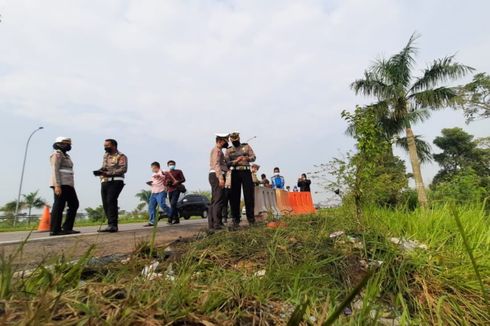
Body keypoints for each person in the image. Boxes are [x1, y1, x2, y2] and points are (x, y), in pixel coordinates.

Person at [95, 139, 128, 233]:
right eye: (104, 145)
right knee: (105, 203)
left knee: (111, 201)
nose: (105, 147)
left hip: (116, 181)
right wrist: (100, 171)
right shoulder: (106, 155)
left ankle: (113, 225)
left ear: (114, 146)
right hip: (105, 181)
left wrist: (109, 173)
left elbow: (123, 169)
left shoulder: (121, 156)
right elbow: (104, 167)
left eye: (107, 145)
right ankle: (110, 224)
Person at [49, 137, 80, 236]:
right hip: (60, 184)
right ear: (60, 144)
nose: (69, 146)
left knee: (74, 204)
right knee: (59, 206)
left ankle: (67, 228)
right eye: (67, 144)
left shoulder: (66, 156)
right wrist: (57, 185)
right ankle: (55, 229)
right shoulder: (57, 155)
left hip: (68, 184)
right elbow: (55, 170)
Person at [225, 132, 256, 227]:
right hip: (235, 173)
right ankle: (235, 219)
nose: (235, 142)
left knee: (248, 195)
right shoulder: (228, 150)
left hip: (246, 172)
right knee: (234, 196)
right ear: (231, 140)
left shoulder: (246, 147)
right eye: (233, 141)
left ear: (239, 138)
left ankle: (251, 219)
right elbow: (226, 162)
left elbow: (254, 157)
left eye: (236, 140)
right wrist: (235, 161)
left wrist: (246, 158)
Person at [208, 133, 229, 230]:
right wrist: (220, 178)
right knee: (218, 200)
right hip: (216, 175)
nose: (227, 143)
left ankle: (212, 224)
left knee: (215, 200)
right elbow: (216, 165)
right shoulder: (217, 151)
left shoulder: (219, 150)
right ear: (220, 141)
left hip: (214, 175)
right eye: (225, 141)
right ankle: (217, 224)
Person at [145, 162, 171, 227]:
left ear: (156, 167)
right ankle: (152, 222)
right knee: (151, 207)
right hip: (153, 192)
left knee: (162, 204)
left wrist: (159, 175)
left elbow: (165, 176)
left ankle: (172, 215)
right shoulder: (153, 174)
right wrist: (151, 183)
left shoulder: (162, 171)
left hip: (161, 191)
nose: (152, 169)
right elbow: (155, 182)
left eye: (152, 168)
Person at [165, 160, 186, 224]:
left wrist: (178, 181)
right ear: (168, 165)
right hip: (170, 190)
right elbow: (165, 182)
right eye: (170, 164)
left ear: (175, 165)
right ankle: (177, 219)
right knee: (173, 205)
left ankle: (170, 218)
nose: (171, 165)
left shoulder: (179, 171)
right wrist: (167, 183)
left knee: (173, 203)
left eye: (172, 164)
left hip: (176, 189)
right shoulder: (167, 173)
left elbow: (183, 179)